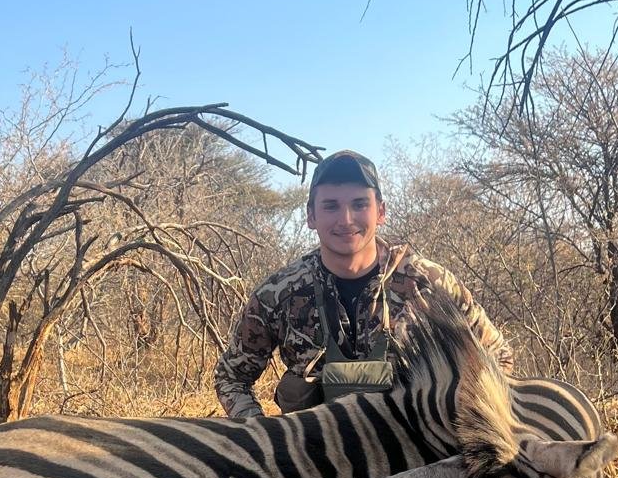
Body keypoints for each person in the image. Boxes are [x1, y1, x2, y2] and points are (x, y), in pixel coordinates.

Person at [214, 149, 514, 420]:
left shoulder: (428, 284)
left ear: (380, 212)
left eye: (359, 204)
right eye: (331, 206)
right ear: (310, 216)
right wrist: (267, 439)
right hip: (311, 457)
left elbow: (498, 357)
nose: (346, 219)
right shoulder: (278, 293)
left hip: (416, 457)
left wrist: (457, 421)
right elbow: (232, 377)